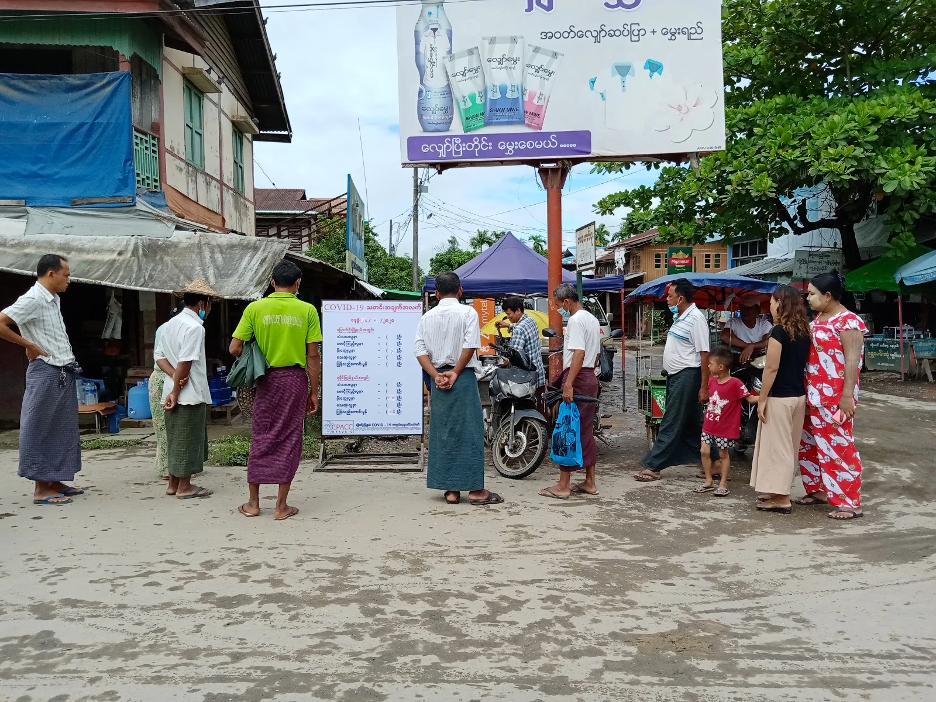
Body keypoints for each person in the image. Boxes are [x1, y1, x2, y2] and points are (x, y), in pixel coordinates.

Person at [230, 260, 322, 521]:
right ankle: (281, 507)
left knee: (262, 434)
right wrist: (313, 392)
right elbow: (312, 356)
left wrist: (257, 350)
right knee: (290, 437)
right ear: (298, 283)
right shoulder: (307, 310)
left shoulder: (255, 308)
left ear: (272, 282)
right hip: (294, 380)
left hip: (264, 379)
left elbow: (234, 349)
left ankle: (253, 503)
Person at [0, 254, 83, 505]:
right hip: (45, 371)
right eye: (66, 275)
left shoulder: (52, 299)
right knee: (40, 427)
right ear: (51, 274)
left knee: (61, 428)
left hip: (62, 369)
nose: (69, 280)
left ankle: (54, 479)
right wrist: (28, 345)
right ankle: (40, 488)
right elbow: (1, 323)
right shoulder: (32, 299)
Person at [414, 271, 503, 506]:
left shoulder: (427, 317)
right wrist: (455, 372)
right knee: (471, 431)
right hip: (461, 376)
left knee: (444, 432)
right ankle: (476, 490)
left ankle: (451, 490)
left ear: (436, 293)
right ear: (460, 290)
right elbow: (471, 345)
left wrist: (435, 375)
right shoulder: (468, 313)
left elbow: (420, 350)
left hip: (438, 378)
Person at [798, 271, 868, 520]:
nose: (808, 298)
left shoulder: (848, 322)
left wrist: (847, 396)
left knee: (838, 447)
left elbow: (852, 361)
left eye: (812, 294)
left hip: (836, 397)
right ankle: (818, 490)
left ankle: (850, 502)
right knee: (810, 446)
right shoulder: (819, 319)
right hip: (813, 395)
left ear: (828, 296)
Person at [634, 278, 711, 482]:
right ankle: (714, 461)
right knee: (692, 424)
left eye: (670, 296)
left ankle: (654, 465)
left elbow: (704, 354)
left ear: (681, 298)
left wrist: (704, 386)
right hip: (676, 376)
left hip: (688, 375)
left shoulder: (696, 319)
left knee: (671, 420)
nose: (666, 299)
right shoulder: (681, 317)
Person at [750, 285, 811, 514]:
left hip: (780, 397)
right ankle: (775, 490)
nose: (770, 305)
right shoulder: (804, 330)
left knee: (778, 448)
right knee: (789, 446)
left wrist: (762, 398)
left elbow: (771, 367)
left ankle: (782, 497)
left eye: (773, 301)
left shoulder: (779, 331)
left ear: (780, 303)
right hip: (798, 396)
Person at [539, 283, 601, 499]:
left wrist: (568, 383)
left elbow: (579, 353)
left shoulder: (575, 320)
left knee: (567, 429)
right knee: (585, 430)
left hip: (578, 377)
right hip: (590, 376)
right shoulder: (592, 319)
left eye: (558, 305)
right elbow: (596, 355)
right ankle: (589, 481)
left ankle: (563, 485)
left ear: (567, 301)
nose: (558, 309)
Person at [158, 280, 216, 500]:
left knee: (175, 437)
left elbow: (160, 357)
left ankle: (174, 483)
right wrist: (177, 387)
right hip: (188, 393)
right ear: (202, 303)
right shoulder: (194, 327)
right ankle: (185, 486)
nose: (209, 310)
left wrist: (173, 381)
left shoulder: (171, 323)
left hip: (172, 390)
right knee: (189, 439)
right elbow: (186, 361)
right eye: (209, 305)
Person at [694, 346, 758, 496]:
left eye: (710, 364)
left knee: (723, 454)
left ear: (721, 367)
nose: (708, 366)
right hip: (709, 425)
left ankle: (723, 483)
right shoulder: (711, 381)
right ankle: (709, 481)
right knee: (704, 451)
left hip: (724, 428)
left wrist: (765, 397)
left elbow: (749, 398)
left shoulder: (735, 383)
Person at [150, 316, 185, 480]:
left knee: (170, 424)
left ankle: (176, 467)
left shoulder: (166, 326)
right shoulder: (171, 327)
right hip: (164, 377)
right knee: (164, 424)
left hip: (170, 376)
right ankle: (168, 468)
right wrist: (176, 376)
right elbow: (161, 356)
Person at [494, 295, 546, 401]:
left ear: (518, 310)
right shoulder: (531, 321)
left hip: (526, 380)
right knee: (540, 409)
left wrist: (506, 362)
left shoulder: (519, 329)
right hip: (539, 374)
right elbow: (522, 330)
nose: (508, 317)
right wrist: (508, 326)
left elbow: (515, 356)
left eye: (509, 314)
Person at [721, 297, 773, 362]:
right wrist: (748, 346)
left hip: (759, 362)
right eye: (742, 308)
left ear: (757, 310)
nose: (744, 311)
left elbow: (768, 341)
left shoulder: (765, 324)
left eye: (749, 308)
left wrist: (752, 346)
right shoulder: (733, 322)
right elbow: (725, 336)